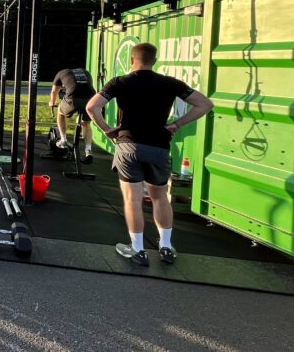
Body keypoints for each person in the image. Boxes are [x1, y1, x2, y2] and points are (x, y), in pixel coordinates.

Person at [85, 43, 214, 267]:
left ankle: (137, 249)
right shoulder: (170, 83)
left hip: (128, 145)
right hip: (158, 146)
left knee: (132, 199)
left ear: (132, 60)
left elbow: (92, 107)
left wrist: (107, 129)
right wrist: (178, 124)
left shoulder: (119, 82)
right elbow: (205, 104)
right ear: (154, 61)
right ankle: (166, 247)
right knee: (160, 197)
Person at [48, 67, 96, 163]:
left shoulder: (60, 73)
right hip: (90, 98)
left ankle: (63, 139)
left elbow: (54, 91)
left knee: (60, 112)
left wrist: (52, 102)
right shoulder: (85, 72)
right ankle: (88, 149)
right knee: (86, 124)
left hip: (73, 98)